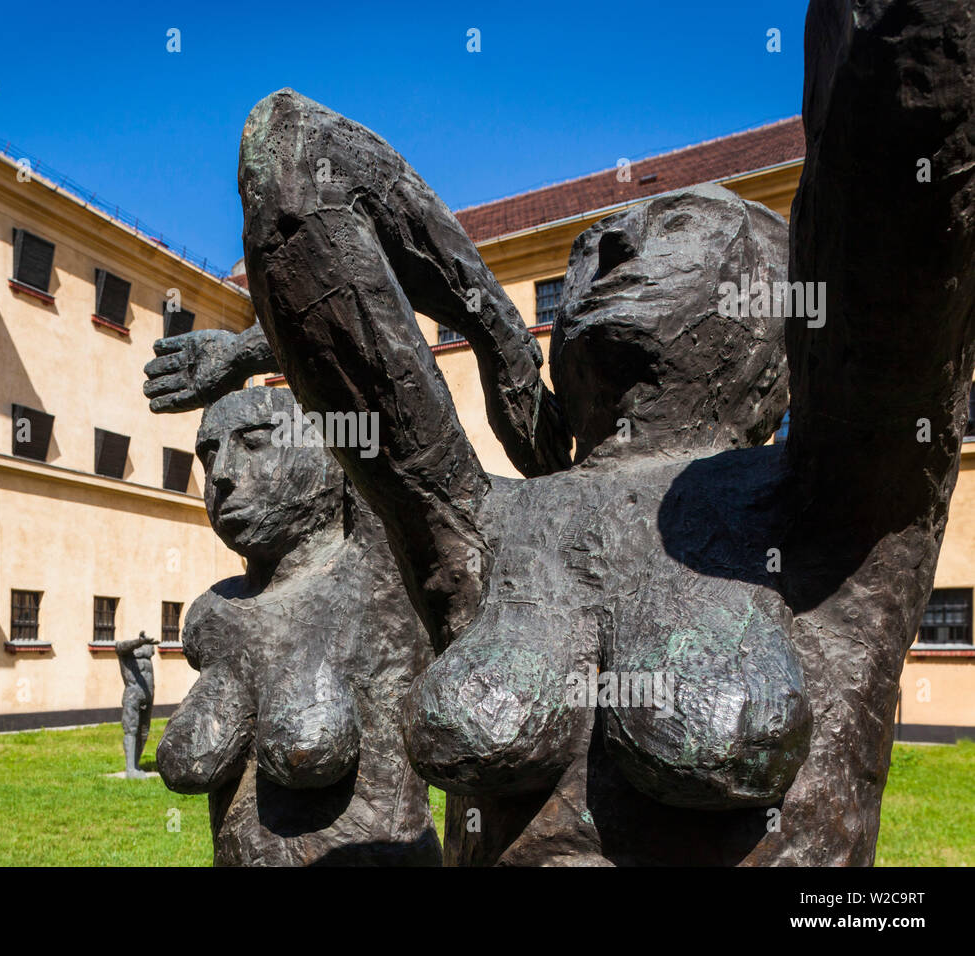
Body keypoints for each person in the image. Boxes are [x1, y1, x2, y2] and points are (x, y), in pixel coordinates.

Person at [211, 0, 975, 865]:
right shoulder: (488, 524)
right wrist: (497, 331)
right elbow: (296, 161)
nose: (608, 254)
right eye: (584, 253)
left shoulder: (829, 500)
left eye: (672, 228)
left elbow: (911, 130)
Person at [151, 386, 441, 865]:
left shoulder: (382, 574)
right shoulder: (214, 613)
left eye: (253, 443)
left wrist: (259, 345)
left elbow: (384, 397)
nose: (221, 473)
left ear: (330, 453)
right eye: (209, 452)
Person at [115, 630, 159, 778]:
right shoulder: (124, 652)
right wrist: (138, 641)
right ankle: (130, 769)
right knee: (131, 730)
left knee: (144, 732)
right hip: (132, 695)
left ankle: (136, 765)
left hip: (147, 697)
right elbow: (121, 646)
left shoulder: (147, 656)